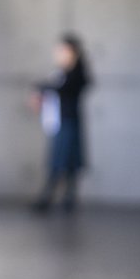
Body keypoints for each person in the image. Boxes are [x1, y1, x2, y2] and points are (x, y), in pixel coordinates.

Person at [30, 33, 92, 213]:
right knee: (63, 160)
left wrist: (39, 88)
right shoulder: (62, 72)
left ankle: (52, 199)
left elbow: (63, 89)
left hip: (69, 121)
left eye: (62, 50)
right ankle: (65, 199)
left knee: (63, 161)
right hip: (61, 120)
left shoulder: (77, 72)